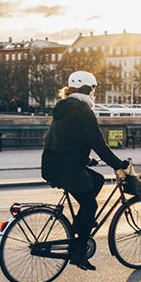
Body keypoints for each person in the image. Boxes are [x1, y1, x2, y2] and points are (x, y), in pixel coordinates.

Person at [41, 71, 129, 271]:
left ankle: (80, 225)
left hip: (52, 165)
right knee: (90, 206)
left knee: (96, 180)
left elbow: (66, 139)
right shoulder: (82, 110)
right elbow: (98, 143)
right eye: (93, 89)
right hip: (68, 169)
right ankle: (79, 252)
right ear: (88, 89)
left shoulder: (63, 108)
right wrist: (117, 164)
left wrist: (85, 159)